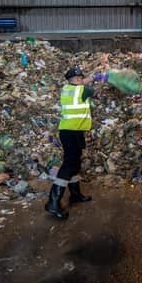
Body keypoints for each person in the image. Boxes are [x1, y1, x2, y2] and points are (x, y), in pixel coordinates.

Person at [45, 65, 95, 219]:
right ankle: (53, 202)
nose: (81, 79)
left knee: (75, 164)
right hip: (71, 132)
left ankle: (75, 194)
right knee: (68, 165)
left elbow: (83, 84)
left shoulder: (68, 89)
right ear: (74, 80)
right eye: (79, 77)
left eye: (82, 77)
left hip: (73, 131)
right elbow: (94, 91)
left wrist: (93, 78)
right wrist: (102, 78)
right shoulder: (82, 90)